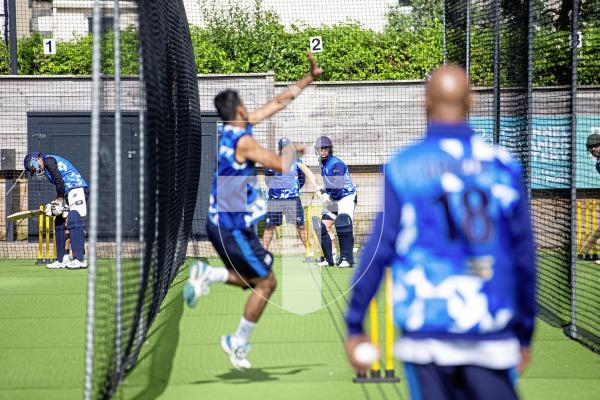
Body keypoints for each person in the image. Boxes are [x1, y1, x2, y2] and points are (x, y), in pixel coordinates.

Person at [344, 65, 536, 400]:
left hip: (428, 333)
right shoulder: (503, 164)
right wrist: (524, 333)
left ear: (425, 102)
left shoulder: (404, 165)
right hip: (490, 328)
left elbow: (380, 248)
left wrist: (355, 323)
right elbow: (524, 256)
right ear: (471, 102)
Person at [183, 52, 323, 370]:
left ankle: (212, 276)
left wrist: (308, 78)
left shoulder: (232, 130)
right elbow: (277, 163)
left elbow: (276, 103)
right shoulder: (243, 141)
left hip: (225, 222)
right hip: (230, 225)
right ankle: (237, 341)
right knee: (267, 283)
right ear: (241, 109)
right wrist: (293, 151)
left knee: (254, 280)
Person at [24, 152, 89, 269]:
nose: (35, 170)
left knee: (74, 219)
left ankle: (79, 259)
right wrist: (56, 205)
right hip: (67, 192)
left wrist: (59, 200)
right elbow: (60, 184)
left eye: (33, 167)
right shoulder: (47, 169)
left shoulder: (48, 160)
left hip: (77, 188)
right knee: (59, 221)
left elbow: (59, 180)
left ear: (36, 159)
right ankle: (61, 260)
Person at [262, 137, 318, 251]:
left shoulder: (297, 162)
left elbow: (302, 179)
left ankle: (309, 251)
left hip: (293, 199)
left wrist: (294, 189)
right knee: (269, 227)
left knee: (300, 226)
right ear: (279, 149)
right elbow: (268, 180)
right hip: (275, 200)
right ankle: (263, 255)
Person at [313, 136, 357, 268]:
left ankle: (347, 258)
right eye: (321, 149)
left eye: (326, 148)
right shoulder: (322, 163)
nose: (323, 151)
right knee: (323, 225)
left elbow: (338, 187)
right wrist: (323, 189)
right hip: (334, 196)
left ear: (330, 149)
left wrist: (328, 197)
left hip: (346, 196)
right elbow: (331, 183)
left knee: (343, 223)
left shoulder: (337, 164)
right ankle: (330, 258)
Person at [578, 133, 600, 262]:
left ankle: (584, 251)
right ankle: (584, 252)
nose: (593, 149)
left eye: (596, 146)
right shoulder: (598, 164)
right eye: (590, 147)